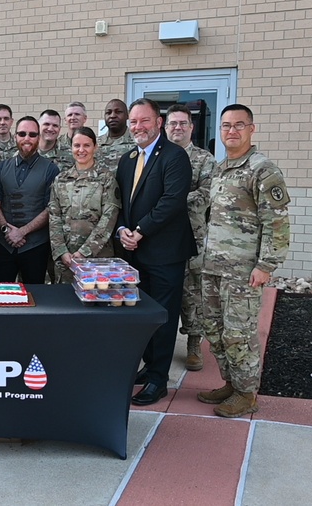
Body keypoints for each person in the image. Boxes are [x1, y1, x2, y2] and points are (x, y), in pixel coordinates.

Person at [198, 103, 290, 418]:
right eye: (226, 125)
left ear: (252, 129)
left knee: (239, 333)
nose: (232, 131)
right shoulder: (221, 168)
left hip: (243, 272)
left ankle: (247, 394)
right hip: (213, 268)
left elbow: (276, 222)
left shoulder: (263, 169)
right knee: (215, 329)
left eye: (239, 125)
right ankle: (231, 383)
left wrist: (266, 266)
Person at [115, 98, 194, 406]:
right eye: (133, 122)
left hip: (165, 253)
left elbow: (172, 201)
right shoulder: (128, 158)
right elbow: (121, 201)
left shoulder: (175, 157)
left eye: (144, 121)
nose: (138, 127)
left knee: (162, 315)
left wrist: (141, 230)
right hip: (134, 252)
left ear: (159, 122)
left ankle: (159, 379)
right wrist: (123, 230)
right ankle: (149, 366)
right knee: (142, 314)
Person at [164, 103, 215, 371]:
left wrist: (169, 201)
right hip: (161, 238)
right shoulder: (157, 156)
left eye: (183, 123)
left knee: (193, 291)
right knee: (162, 289)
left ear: (192, 128)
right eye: (173, 123)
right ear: (165, 126)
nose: (178, 128)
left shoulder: (204, 160)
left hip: (192, 236)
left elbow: (206, 195)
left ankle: (194, 343)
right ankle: (159, 344)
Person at [0, 116, 59, 283]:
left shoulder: (51, 169)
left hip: (35, 246)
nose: (27, 138)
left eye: (32, 134)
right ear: (15, 136)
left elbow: (51, 208)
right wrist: (6, 230)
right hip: (3, 245)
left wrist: (22, 232)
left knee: (35, 298)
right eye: (22, 133)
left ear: (38, 137)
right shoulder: (1, 168)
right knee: (0, 296)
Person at [48, 127, 119, 283]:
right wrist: (62, 252)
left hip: (97, 259)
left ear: (95, 147)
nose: (81, 150)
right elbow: (54, 218)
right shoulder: (61, 180)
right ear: (71, 147)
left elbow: (109, 218)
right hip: (65, 261)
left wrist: (84, 252)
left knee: (97, 304)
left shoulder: (106, 179)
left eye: (86, 145)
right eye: (77, 145)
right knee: (65, 305)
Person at [96, 99, 137, 174]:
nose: (113, 116)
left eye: (118, 112)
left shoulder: (137, 142)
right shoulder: (95, 144)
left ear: (127, 115)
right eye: (108, 113)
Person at [38, 109, 74, 174]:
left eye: (55, 125)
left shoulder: (71, 155)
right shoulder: (26, 152)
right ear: (38, 126)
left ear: (59, 129)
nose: (50, 129)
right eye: (46, 124)